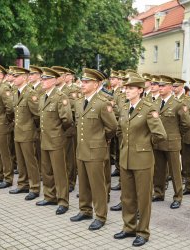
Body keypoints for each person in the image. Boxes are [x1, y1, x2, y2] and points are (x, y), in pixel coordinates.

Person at [114, 76, 166, 247]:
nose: (127, 90)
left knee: (143, 198)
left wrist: (144, 145)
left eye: (131, 88)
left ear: (140, 90)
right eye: (126, 88)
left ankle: (143, 232)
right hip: (126, 159)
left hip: (143, 160)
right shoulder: (124, 107)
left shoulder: (148, 108)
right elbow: (120, 130)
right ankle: (129, 227)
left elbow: (160, 135)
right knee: (127, 196)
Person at [70, 68, 117, 230]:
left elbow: (112, 127)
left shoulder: (103, 102)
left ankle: (101, 215)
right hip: (82, 149)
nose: (82, 84)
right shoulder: (79, 101)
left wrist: (100, 140)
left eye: (86, 82)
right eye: (82, 81)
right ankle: (85, 210)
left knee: (98, 185)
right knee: (83, 183)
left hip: (96, 150)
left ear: (96, 84)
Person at [35, 67, 73, 215]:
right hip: (45, 139)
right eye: (42, 79)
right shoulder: (43, 96)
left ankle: (63, 201)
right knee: (47, 170)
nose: (42, 81)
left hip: (56, 139)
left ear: (53, 81)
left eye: (45, 79)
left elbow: (67, 120)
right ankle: (49, 196)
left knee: (59, 172)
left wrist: (58, 132)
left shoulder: (60, 97)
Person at [152, 75, 190, 209]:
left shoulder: (178, 103)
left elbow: (187, 124)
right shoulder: (156, 102)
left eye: (163, 86)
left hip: (172, 142)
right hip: (158, 142)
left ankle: (178, 197)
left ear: (170, 87)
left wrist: (176, 135)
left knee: (175, 172)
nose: (160, 88)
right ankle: (158, 193)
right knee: (159, 170)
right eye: (160, 85)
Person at [9, 67, 41, 200]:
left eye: (16, 76)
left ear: (24, 78)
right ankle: (23, 184)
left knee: (30, 162)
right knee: (21, 161)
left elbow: (38, 114)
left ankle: (34, 187)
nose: (14, 78)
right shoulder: (17, 92)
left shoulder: (30, 93)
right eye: (13, 76)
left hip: (28, 133)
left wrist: (32, 129)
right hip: (18, 132)